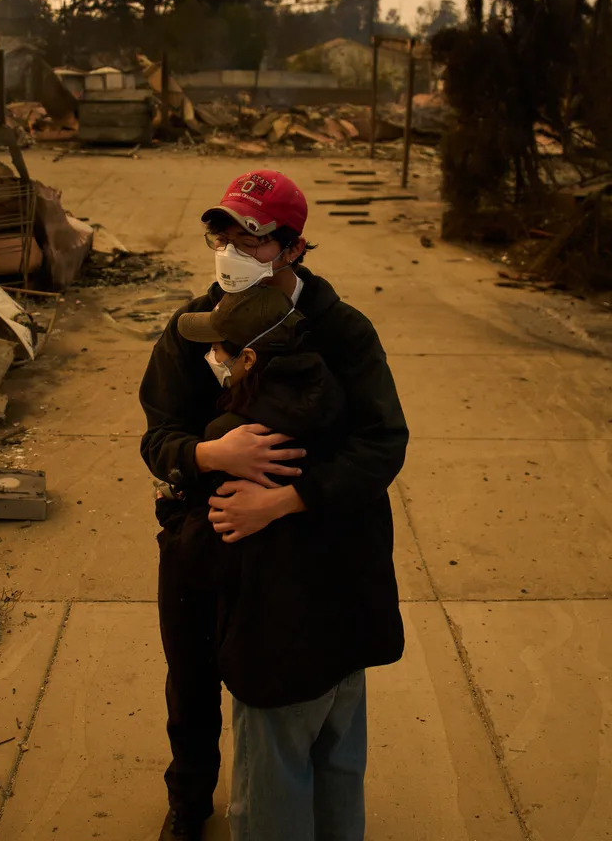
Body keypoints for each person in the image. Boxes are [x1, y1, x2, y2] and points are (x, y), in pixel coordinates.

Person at [139, 170, 410, 841]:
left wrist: (289, 498)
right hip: (200, 541)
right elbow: (158, 435)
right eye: (222, 235)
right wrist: (210, 456)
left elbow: (383, 444)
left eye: (254, 240)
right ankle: (190, 799)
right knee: (192, 683)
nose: (231, 252)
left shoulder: (340, 332)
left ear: (293, 248)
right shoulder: (192, 329)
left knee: (289, 693)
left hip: (302, 555)